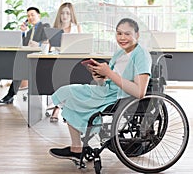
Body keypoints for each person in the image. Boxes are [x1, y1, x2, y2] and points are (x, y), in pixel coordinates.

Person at [48, 18, 152, 161]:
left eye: (127, 34)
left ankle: (77, 149)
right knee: (69, 96)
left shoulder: (141, 55)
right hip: (108, 92)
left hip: (119, 97)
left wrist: (109, 73)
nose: (122, 38)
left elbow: (140, 92)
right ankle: (77, 148)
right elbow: (111, 81)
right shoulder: (120, 54)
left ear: (137, 35)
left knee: (69, 92)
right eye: (119, 33)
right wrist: (100, 77)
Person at [0, 7, 50, 104]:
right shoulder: (30, 31)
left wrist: (38, 44)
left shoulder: (45, 26)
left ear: (38, 15)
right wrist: (23, 33)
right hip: (24, 57)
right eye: (28, 16)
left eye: (32, 15)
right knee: (0, 65)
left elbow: (46, 42)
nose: (30, 17)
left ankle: (10, 95)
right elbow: (24, 44)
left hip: (36, 58)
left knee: (19, 68)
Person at [49, 2, 82, 122]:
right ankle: (58, 108)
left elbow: (81, 45)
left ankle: (64, 109)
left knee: (72, 81)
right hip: (58, 60)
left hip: (73, 60)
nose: (65, 16)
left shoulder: (76, 27)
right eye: (62, 13)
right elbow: (50, 47)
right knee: (59, 79)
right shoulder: (55, 29)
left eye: (67, 13)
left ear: (71, 14)